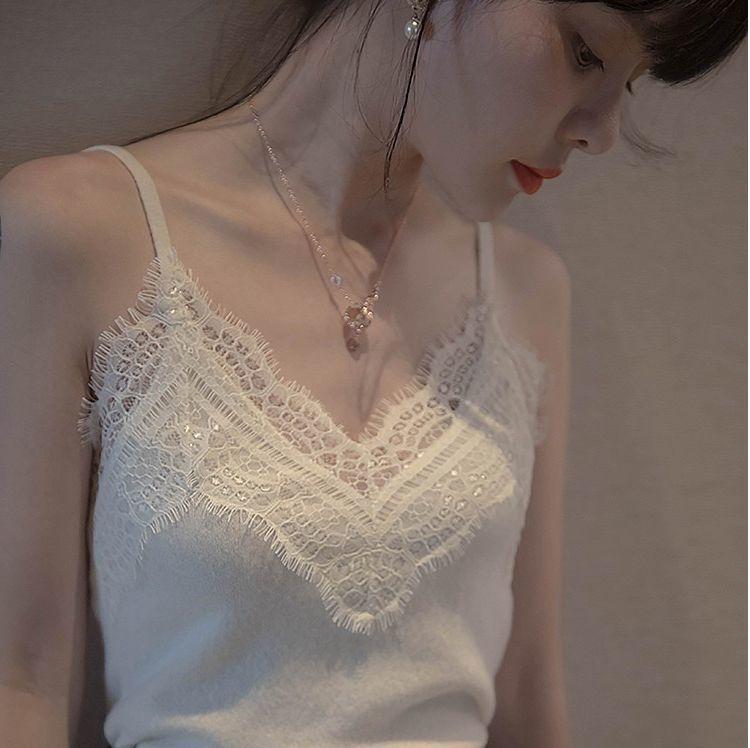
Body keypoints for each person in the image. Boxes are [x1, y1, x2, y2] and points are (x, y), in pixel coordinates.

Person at [0, 1, 745, 746]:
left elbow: (524, 694)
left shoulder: (524, 292)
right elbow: (22, 679)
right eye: (585, 53)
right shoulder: (79, 232)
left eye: (628, 84)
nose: (601, 132)